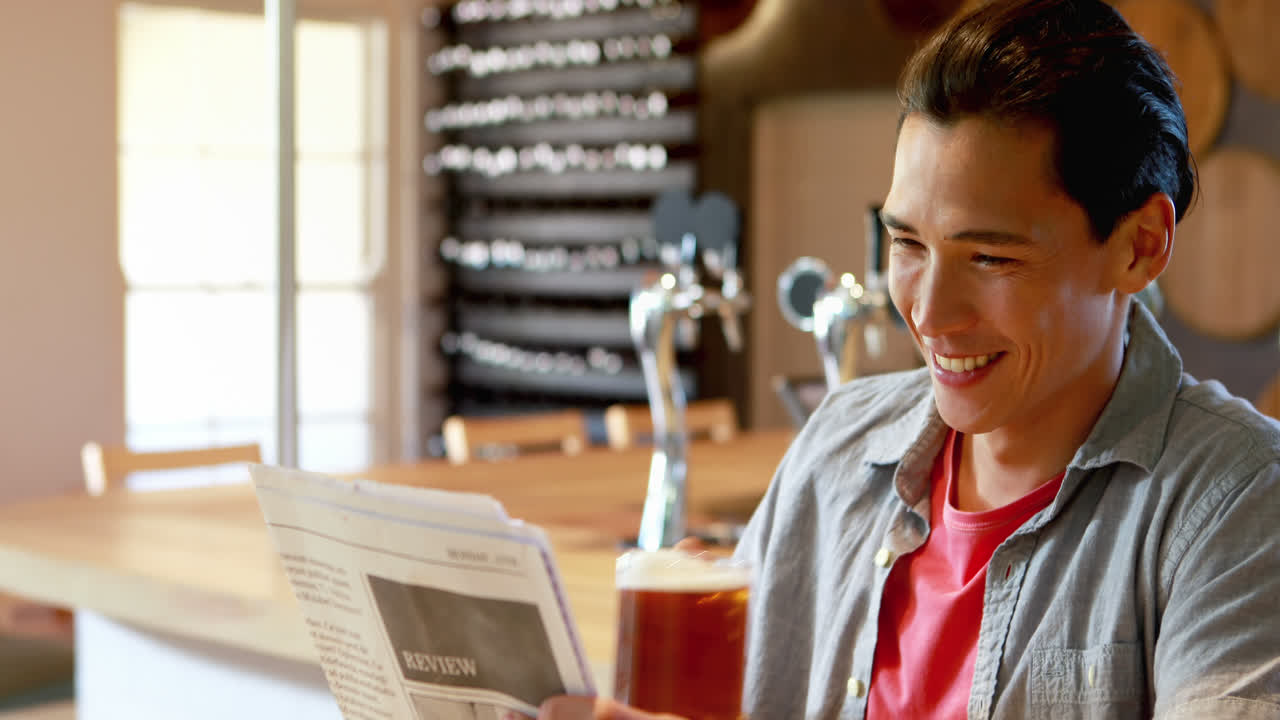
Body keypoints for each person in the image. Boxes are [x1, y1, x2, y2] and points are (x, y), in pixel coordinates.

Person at [532, 0, 1280, 717]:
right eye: (907, 244)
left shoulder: (1237, 504)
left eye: (989, 257)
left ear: (1140, 246)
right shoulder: (837, 446)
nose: (926, 313)